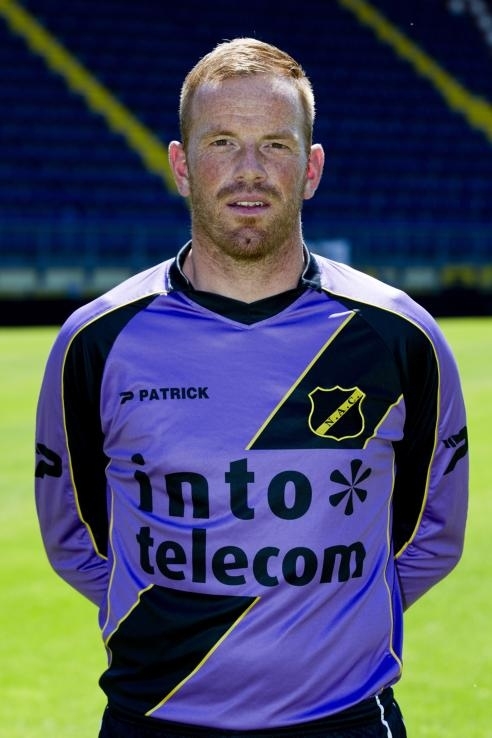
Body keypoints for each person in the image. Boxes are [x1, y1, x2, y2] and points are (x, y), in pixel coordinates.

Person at [35, 37, 469, 738]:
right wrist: (169, 623)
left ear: (311, 168)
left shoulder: (396, 335)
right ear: (181, 165)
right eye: (221, 143)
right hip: (156, 713)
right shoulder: (98, 340)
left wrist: (327, 627)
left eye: (274, 145)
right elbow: (75, 534)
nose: (249, 171)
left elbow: (430, 533)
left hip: (344, 718)